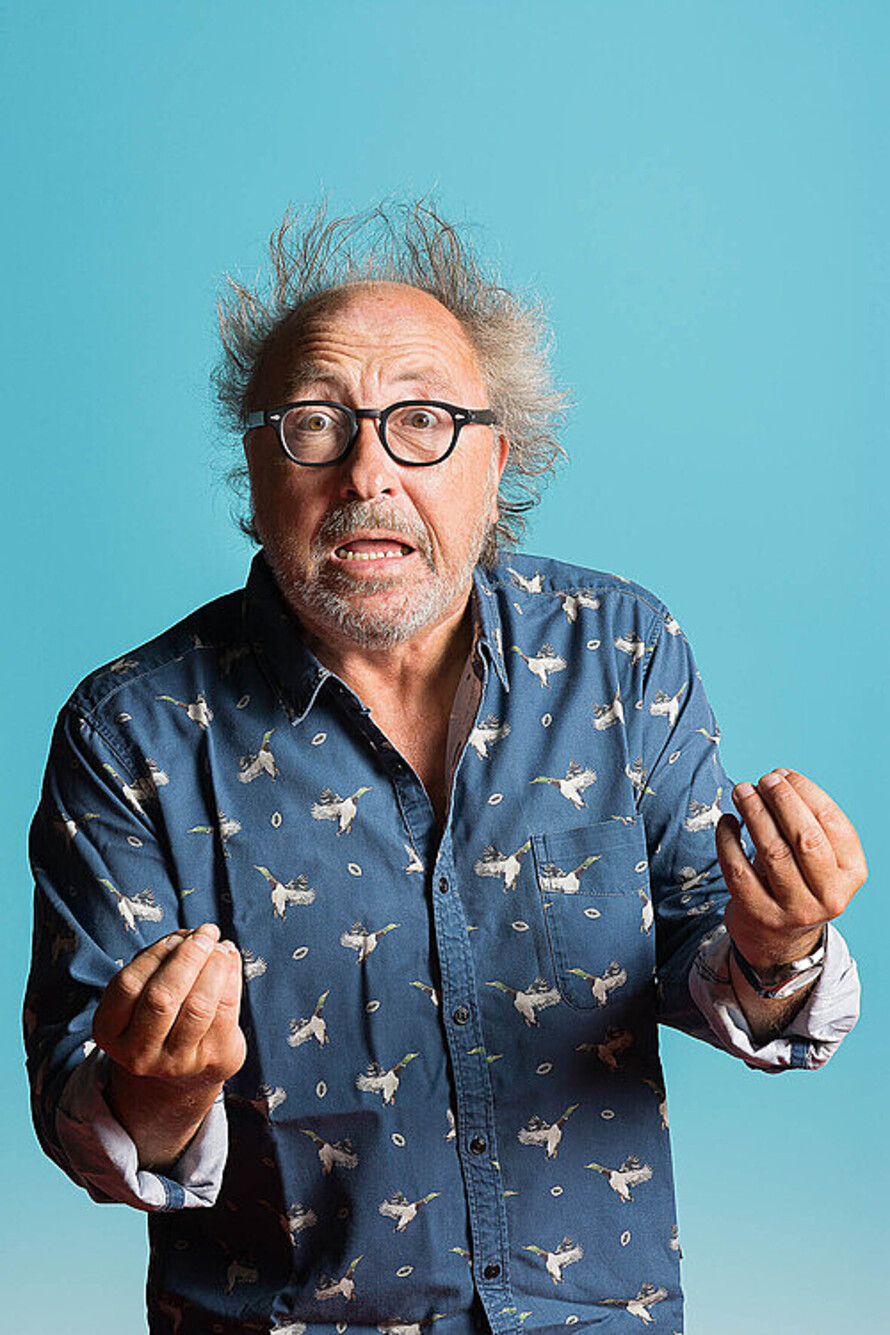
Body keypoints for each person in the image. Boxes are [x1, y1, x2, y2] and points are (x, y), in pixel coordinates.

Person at [25, 203, 865, 1334]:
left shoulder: (619, 654)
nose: (368, 471)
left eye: (421, 420)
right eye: (315, 424)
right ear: (257, 464)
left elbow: (721, 973)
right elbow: (80, 1110)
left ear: (496, 460)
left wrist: (779, 944)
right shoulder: (132, 734)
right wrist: (159, 1092)